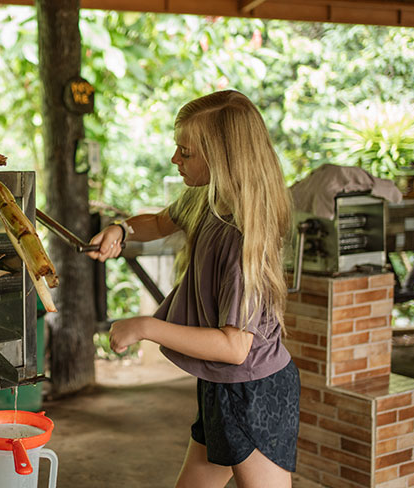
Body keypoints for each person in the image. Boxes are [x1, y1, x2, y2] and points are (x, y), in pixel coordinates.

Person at [88, 90, 300, 488]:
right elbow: (158, 222)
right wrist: (122, 230)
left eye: (185, 153)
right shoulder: (205, 198)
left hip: (253, 390)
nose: (175, 160)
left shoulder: (241, 239)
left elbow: (234, 347)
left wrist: (146, 327)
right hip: (221, 385)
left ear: (222, 158)